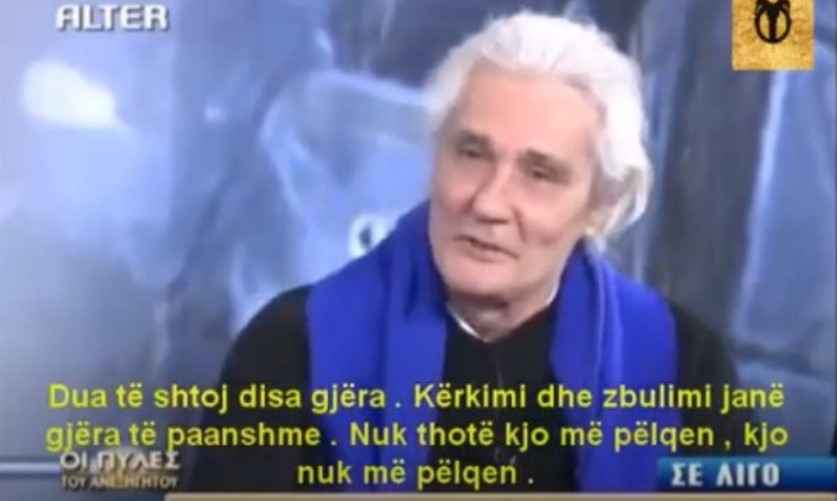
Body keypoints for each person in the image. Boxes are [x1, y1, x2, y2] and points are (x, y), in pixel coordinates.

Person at [186, 11, 747, 492]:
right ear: (435, 158)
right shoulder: (291, 348)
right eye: (472, 154)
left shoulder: (684, 368)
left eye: (539, 173)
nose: (489, 202)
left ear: (601, 206)